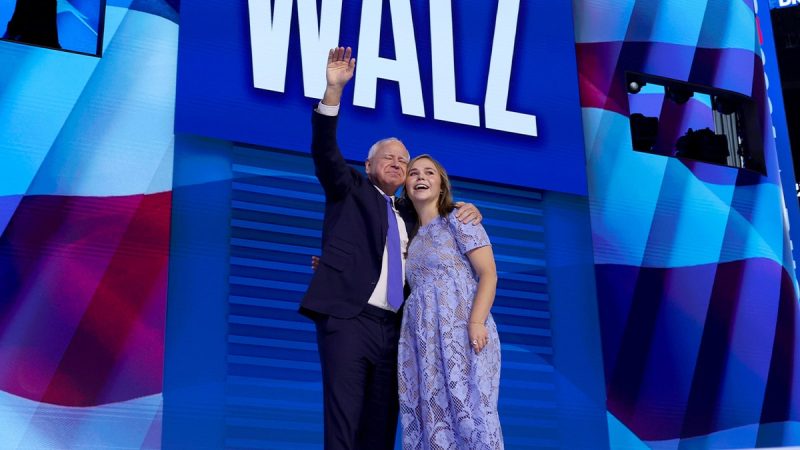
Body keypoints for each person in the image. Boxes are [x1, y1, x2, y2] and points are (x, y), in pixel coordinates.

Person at [300, 46, 481, 450]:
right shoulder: (349, 188)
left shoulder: (412, 215)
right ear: (368, 166)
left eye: (404, 160)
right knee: (344, 424)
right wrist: (333, 92)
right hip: (350, 319)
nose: (398, 163)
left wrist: (469, 209)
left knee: (381, 429)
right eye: (389, 157)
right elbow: (325, 151)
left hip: (398, 332)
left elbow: (440, 228)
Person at [398, 154, 503, 449]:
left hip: (461, 330)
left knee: (471, 412)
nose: (421, 177)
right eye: (413, 173)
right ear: (406, 186)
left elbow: (488, 273)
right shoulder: (410, 237)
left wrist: (476, 322)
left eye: (429, 172)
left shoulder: (459, 218)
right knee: (434, 416)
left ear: (442, 185)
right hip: (423, 339)